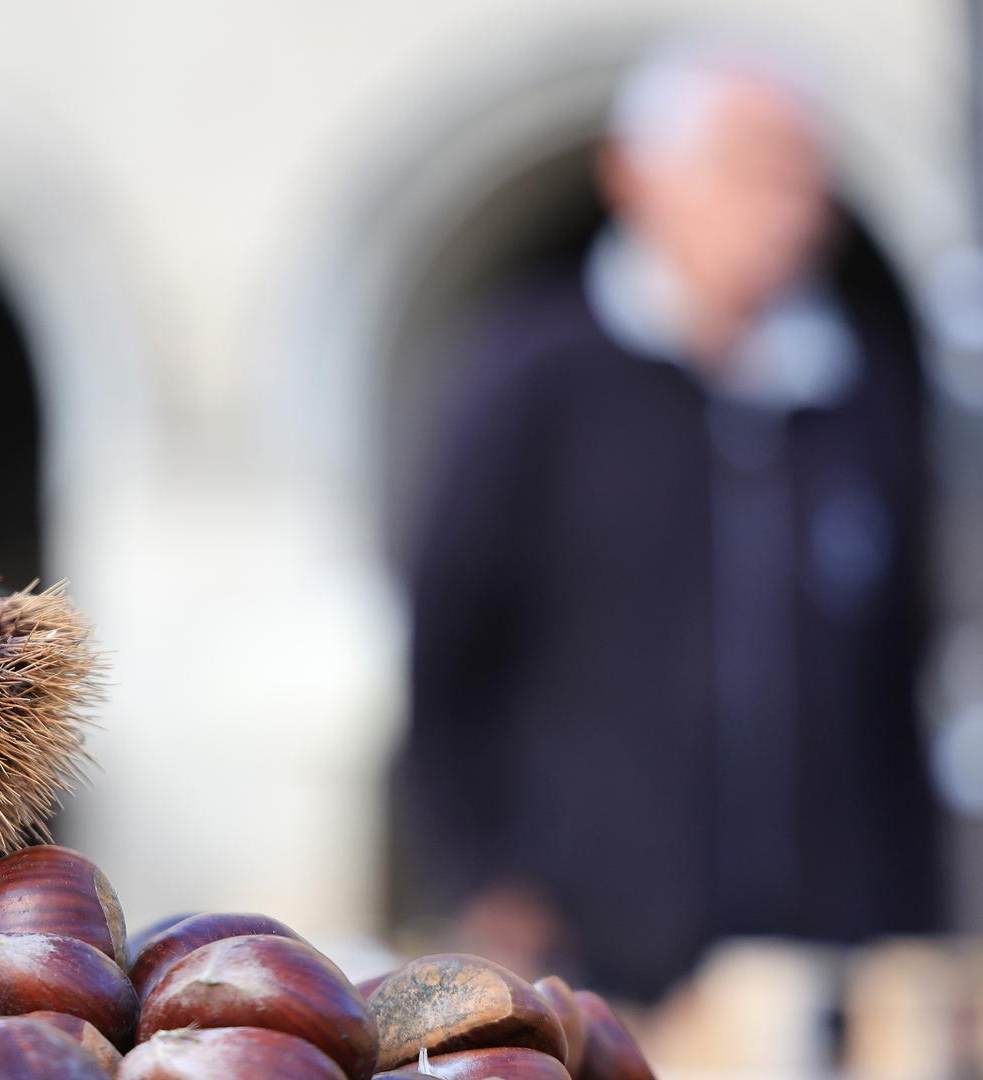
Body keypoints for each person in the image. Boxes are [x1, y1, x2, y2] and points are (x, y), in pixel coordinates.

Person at [400, 41, 939, 1001]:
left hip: (823, 959)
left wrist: (917, 916)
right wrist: (483, 872)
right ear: (636, 175)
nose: (783, 209)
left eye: (802, 177)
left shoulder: (857, 396)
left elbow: (898, 673)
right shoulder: (538, 375)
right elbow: (445, 639)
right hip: (597, 953)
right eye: (746, 169)